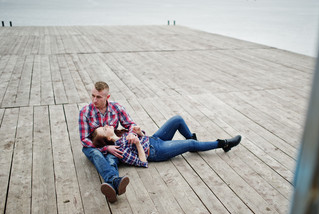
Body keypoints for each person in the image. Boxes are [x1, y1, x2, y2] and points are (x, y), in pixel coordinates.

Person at [90, 115, 242, 168]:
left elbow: (142, 137)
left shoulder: (120, 132)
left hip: (154, 139)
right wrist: (137, 143)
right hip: (157, 151)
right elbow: (143, 162)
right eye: (104, 129)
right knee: (190, 145)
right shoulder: (119, 150)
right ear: (108, 139)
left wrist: (139, 133)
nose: (106, 126)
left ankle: (194, 144)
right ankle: (224, 144)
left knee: (177, 119)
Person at [79, 81, 138, 203]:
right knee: (96, 154)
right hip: (93, 146)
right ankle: (115, 180)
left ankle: (112, 185)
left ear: (107, 97)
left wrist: (132, 133)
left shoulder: (116, 108)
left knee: (111, 159)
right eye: (93, 96)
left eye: (99, 97)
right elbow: (84, 139)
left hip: (112, 142)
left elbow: (130, 124)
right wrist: (105, 148)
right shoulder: (85, 112)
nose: (94, 100)